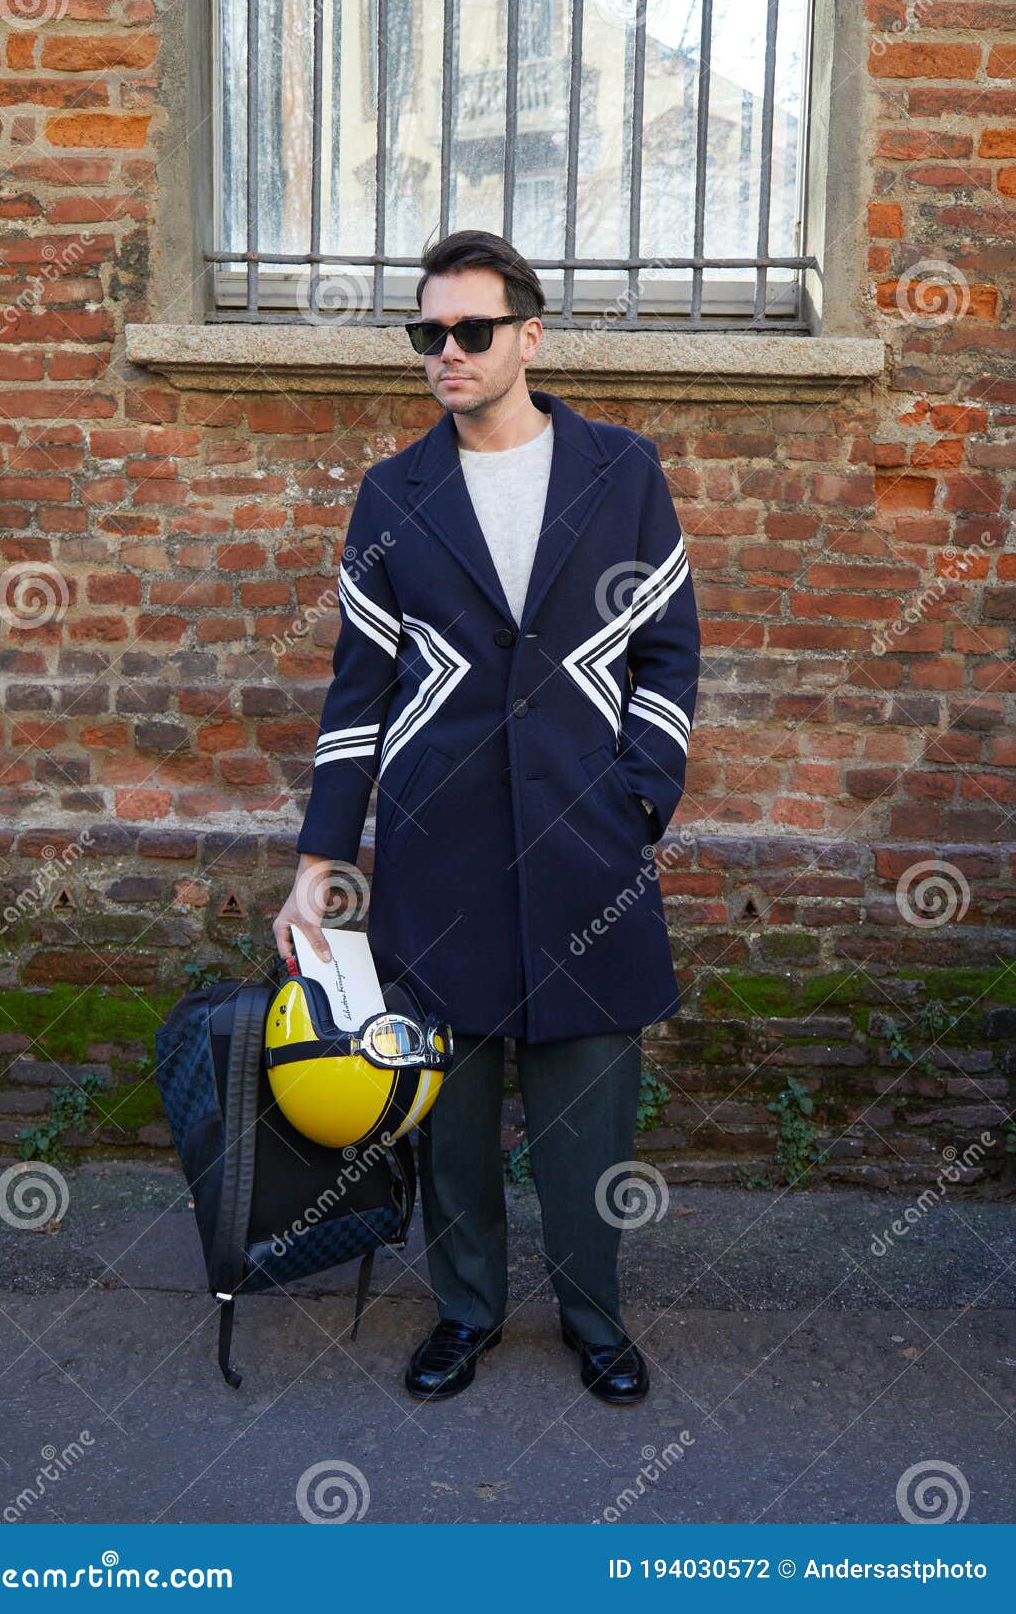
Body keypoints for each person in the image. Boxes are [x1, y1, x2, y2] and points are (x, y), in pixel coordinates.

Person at [274, 230, 700, 1405]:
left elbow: (666, 650)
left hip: (587, 846)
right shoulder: (392, 495)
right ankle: (461, 1310)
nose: (445, 353)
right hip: (438, 849)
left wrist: (639, 799)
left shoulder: (621, 473)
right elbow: (357, 688)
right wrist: (321, 858)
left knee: (586, 1119)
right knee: (446, 1114)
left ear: (529, 334)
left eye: (469, 331)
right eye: (428, 334)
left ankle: (593, 1318)